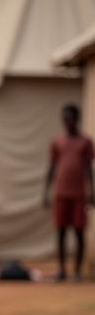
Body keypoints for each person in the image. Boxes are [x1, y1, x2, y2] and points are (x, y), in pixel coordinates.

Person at [44, 103, 94, 280]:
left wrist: (91, 191)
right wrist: (45, 191)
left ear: (77, 119)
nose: (67, 122)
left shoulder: (85, 142)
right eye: (65, 119)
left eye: (70, 118)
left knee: (79, 232)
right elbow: (52, 167)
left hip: (79, 194)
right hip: (61, 193)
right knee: (61, 231)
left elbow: (89, 168)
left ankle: (78, 270)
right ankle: (62, 270)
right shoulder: (57, 142)